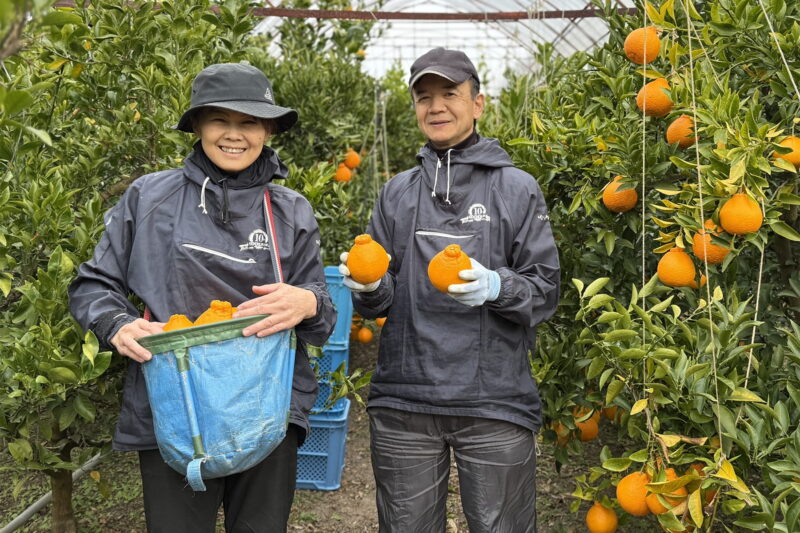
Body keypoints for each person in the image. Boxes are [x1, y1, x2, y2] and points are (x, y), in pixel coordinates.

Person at [69, 63, 335, 533]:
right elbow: (94, 284)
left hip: (268, 407)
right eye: (220, 120)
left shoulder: (290, 210)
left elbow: (322, 312)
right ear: (196, 125)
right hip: (176, 409)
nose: (235, 135)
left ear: (268, 129)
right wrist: (116, 324)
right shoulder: (149, 198)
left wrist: (309, 302)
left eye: (249, 122)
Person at [338, 47, 560, 532]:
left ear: (478, 103)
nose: (436, 106)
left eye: (449, 94)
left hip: (493, 400)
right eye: (424, 97)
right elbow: (380, 300)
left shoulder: (516, 188)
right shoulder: (397, 192)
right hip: (405, 401)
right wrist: (371, 285)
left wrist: (498, 287)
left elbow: (545, 290)